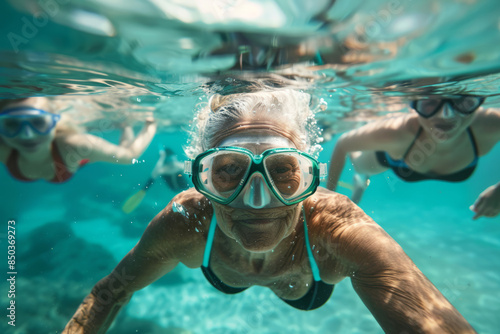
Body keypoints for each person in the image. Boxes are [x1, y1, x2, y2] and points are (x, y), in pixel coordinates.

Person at [63, 89, 476, 334]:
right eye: (228, 171)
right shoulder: (187, 219)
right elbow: (109, 292)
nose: (257, 200)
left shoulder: (335, 226)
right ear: (202, 179)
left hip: (304, 285)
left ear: (308, 175)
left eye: (282, 170)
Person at [326, 94, 500, 219]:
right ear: (414, 105)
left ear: (478, 101)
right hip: (395, 156)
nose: (446, 115)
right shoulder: (395, 133)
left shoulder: (490, 124)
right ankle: (361, 180)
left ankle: (361, 182)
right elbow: (343, 144)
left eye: (462, 101)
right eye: (430, 103)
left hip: (407, 155)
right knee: (359, 167)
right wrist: (327, 201)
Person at [0, 97, 157, 183]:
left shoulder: (77, 145)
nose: (27, 135)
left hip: (75, 157)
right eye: (11, 124)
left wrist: (151, 126)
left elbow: (130, 155)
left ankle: (126, 125)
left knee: (123, 152)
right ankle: (125, 125)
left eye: (39, 122)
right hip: (65, 160)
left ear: (54, 122)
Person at [122, 147, 190, 214]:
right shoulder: (163, 169)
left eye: (172, 159)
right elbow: (153, 175)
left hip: (185, 189)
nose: (172, 162)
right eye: (169, 160)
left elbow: (191, 169)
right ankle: (144, 190)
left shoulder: (180, 165)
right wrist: (161, 158)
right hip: (178, 191)